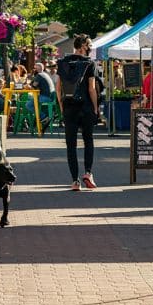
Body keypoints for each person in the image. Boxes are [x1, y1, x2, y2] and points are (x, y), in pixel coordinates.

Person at [56, 34, 99, 191]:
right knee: (88, 141)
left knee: (71, 146)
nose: (90, 49)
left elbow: (59, 88)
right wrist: (95, 108)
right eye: (89, 46)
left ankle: (75, 181)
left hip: (69, 108)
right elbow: (91, 88)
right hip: (86, 106)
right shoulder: (89, 64)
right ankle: (88, 172)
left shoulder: (62, 63)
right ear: (82, 46)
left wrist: (62, 106)